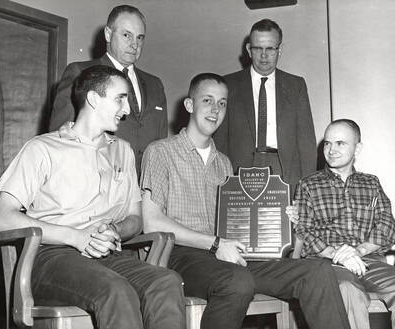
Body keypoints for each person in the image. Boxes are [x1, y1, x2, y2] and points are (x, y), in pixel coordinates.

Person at [140, 72, 351, 329]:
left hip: (227, 258)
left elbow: (238, 229)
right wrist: (216, 243)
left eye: (222, 103)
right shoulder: (160, 152)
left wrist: (280, 220)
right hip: (181, 258)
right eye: (207, 100)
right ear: (188, 105)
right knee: (237, 282)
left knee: (317, 272)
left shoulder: (225, 164)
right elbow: (151, 223)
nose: (215, 110)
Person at [0, 65, 185, 329]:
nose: (127, 109)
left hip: (107, 256)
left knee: (166, 282)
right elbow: (0, 217)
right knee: (117, 290)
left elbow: (135, 218)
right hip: (52, 256)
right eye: (120, 98)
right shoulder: (43, 149)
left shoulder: (123, 152)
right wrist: (76, 236)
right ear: (94, 99)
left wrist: (114, 229)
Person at [294, 119, 395, 329]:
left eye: (340, 143)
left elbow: (387, 224)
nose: (331, 150)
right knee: (346, 290)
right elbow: (303, 230)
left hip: (369, 261)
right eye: (327, 143)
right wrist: (336, 254)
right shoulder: (308, 184)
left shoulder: (371, 182)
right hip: (327, 265)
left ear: (357, 148)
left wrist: (358, 251)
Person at [50, 5, 167, 174]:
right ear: (108, 34)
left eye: (140, 38)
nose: (134, 44)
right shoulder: (80, 73)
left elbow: (161, 145)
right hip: (97, 186)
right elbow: (59, 140)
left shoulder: (155, 84)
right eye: (126, 35)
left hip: (146, 191)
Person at [214, 18, 316, 192]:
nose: (264, 55)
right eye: (257, 48)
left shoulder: (296, 85)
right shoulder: (228, 84)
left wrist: (308, 189)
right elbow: (219, 141)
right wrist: (220, 183)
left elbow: (306, 143)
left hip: (285, 172)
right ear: (248, 50)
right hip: (238, 172)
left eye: (270, 48)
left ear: (280, 50)